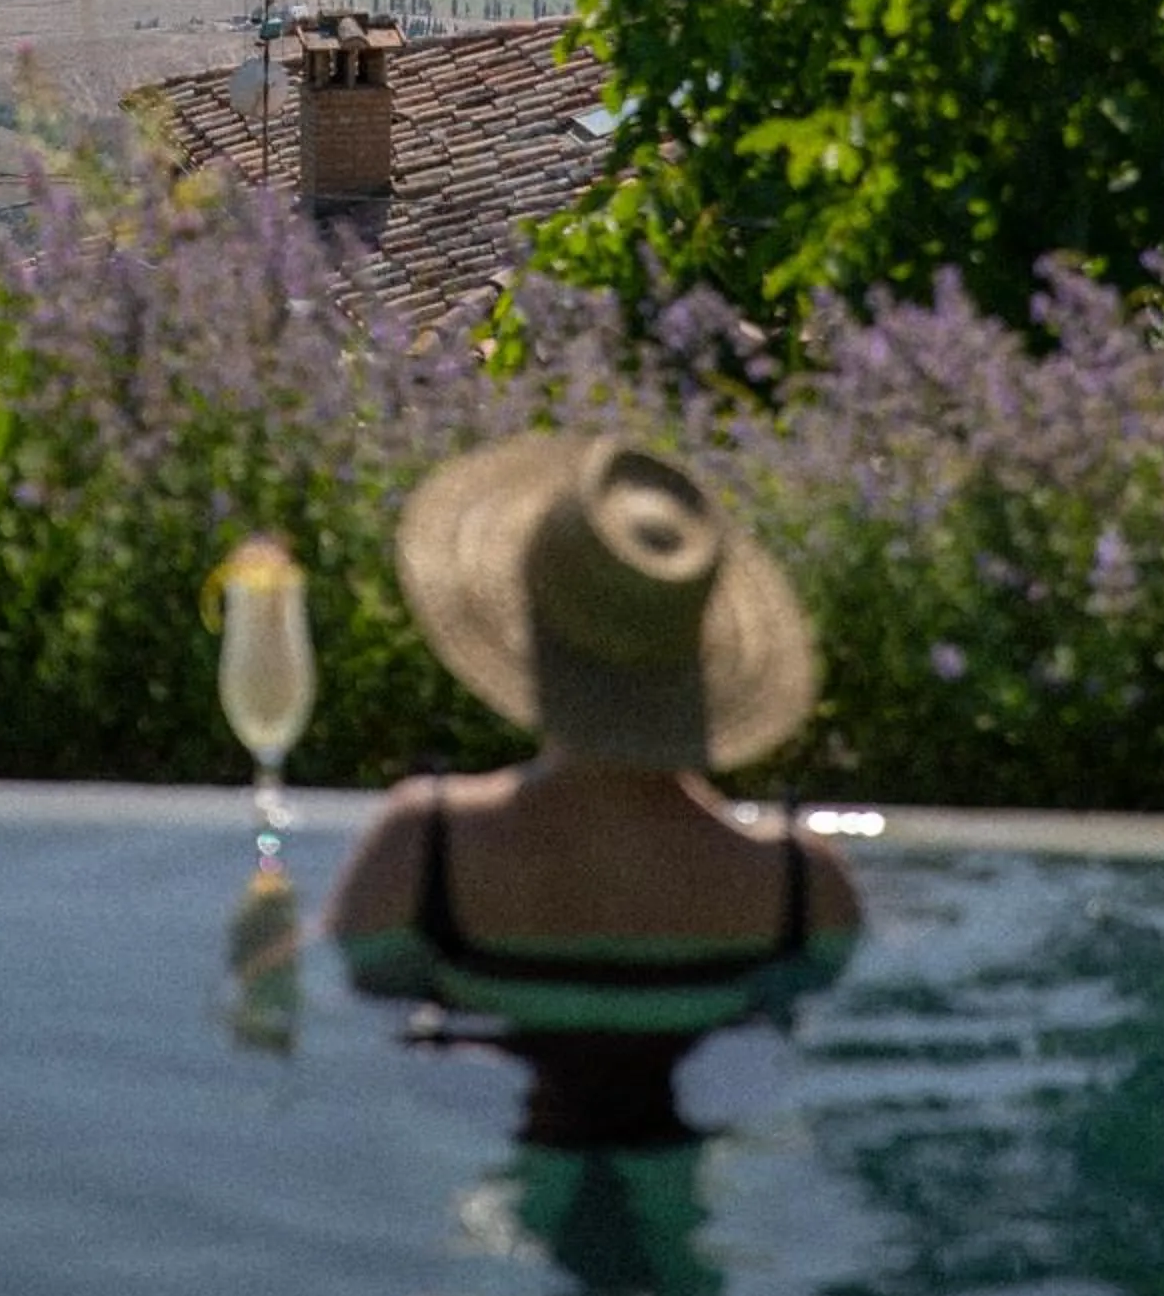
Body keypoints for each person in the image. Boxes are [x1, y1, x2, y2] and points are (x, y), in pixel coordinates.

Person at [325, 429, 862, 1153]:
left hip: (477, 1165)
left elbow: (331, 1019)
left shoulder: (425, 850)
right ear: (700, 650)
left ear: (529, 621)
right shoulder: (802, 888)